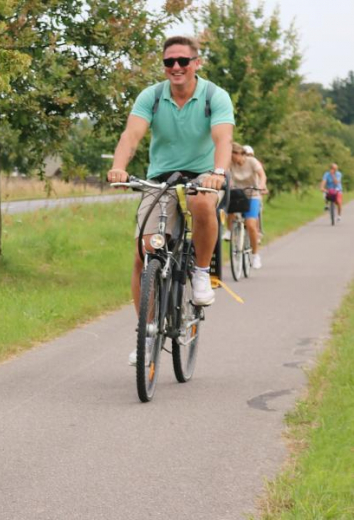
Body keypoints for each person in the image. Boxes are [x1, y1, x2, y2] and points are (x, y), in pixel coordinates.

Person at [106, 35, 235, 366]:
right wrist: (119, 167)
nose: (176, 67)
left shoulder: (214, 96)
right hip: (161, 178)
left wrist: (217, 172)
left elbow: (223, 137)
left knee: (204, 204)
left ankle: (203, 272)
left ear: (196, 63)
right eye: (169, 62)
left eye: (183, 61)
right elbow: (131, 136)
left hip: (204, 174)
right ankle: (146, 332)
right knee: (144, 252)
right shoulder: (151, 97)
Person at [224, 143, 267, 269]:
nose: (232, 159)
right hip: (238, 193)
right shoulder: (230, 163)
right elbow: (227, 175)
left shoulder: (252, 162)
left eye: (233, 155)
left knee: (251, 224)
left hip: (252, 194)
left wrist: (262, 185)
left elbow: (262, 175)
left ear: (240, 154)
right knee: (229, 205)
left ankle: (255, 255)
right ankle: (229, 230)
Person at [242, 145, 266, 242]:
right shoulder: (238, 164)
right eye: (246, 154)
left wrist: (263, 188)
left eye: (250, 154)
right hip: (242, 193)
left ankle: (258, 232)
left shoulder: (255, 164)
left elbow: (261, 178)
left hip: (254, 192)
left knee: (256, 212)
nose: (248, 156)